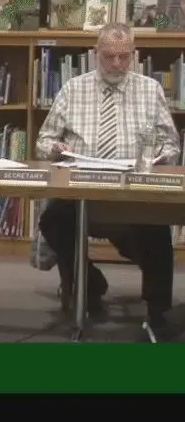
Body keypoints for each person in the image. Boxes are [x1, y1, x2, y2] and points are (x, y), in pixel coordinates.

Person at [35, 22, 179, 341]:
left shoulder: (150, 90)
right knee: (52, 221)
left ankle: (159, 314)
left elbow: (171, 144)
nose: (116, 64)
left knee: (157, 231)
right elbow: (42, 142)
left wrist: (159, 156)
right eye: (109, 56)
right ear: (95, 54)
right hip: (82, 191)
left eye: (124, 57)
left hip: (134, 193)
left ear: (134, 55)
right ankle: (90, 285)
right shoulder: (73, 89)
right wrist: (56, 148)